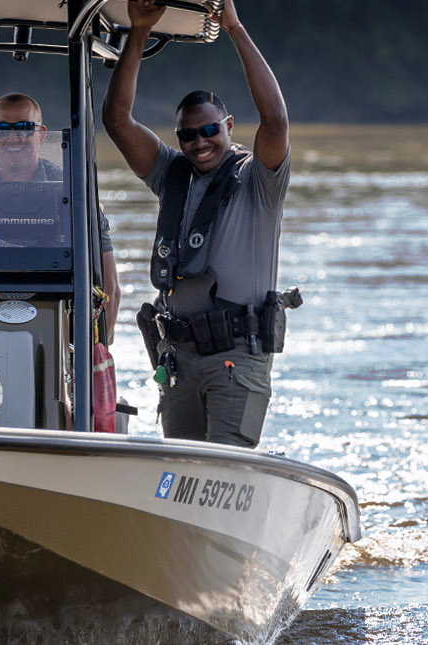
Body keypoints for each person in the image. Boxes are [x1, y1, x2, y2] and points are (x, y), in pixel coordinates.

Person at [105, 0, 293, 447]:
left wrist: (234, 27)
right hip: (178, 360)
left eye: (210, 130)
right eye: (187, 134)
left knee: (224, 470)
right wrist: (139, 31)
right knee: (182, 472)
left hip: (236, 357)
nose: (199, 142)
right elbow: (117, 120)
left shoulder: (258, 179)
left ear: (228, 126)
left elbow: (276, 119)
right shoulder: (171, 174)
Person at [0, 93, 121, 340]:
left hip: (55, 333)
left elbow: (109, 289)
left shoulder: (75, 197)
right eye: (1, 130)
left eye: (23, 128)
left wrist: (90, 352)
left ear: (41, 134)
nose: (12, 138)